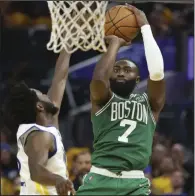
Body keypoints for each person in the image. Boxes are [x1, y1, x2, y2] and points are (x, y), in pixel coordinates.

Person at [76, 5, 165, 196]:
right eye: (116, 69)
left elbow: (157, 72)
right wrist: (114, 44)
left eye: (127, 69)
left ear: (138, 79)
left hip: (135, 184)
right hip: (99, 179)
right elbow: (99, 79)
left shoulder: (150, 103)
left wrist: (145, 28)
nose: (121, 72)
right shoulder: (103, 99)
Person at [2, 50, 75, 195]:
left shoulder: (47, 127)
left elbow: (59, 80)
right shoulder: (39, 136)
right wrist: (58, 179)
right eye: (41, 94)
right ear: (40, 106)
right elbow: (36, 170)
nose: (45, 94)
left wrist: (67, 49)